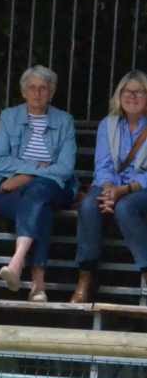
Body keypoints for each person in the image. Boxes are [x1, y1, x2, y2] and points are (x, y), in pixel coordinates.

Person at [0, 65, 77, 302]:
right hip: (10, 189)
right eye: (32, 88)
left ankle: (17, 261)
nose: (37, 93)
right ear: (24, 92)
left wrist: (26, 176)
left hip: (53, 186)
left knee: (38, 193)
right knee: (40, 208)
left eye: (43, 89)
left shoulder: (64, 121)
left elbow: (65, 168)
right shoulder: (9, 117)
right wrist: (37, 171)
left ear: (52, 92)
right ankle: (38, 284)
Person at [74, 70, 147, 303]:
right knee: (88, 205)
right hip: (111, 185)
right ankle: (86, 276)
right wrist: (107, 189)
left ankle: (146, 271)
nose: (132, 96)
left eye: (139, 92)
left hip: (140, 188)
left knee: (125, 207)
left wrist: (123, 191)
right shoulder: (108, 124)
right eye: (127, 91)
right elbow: (103, 165)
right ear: (119, 95)